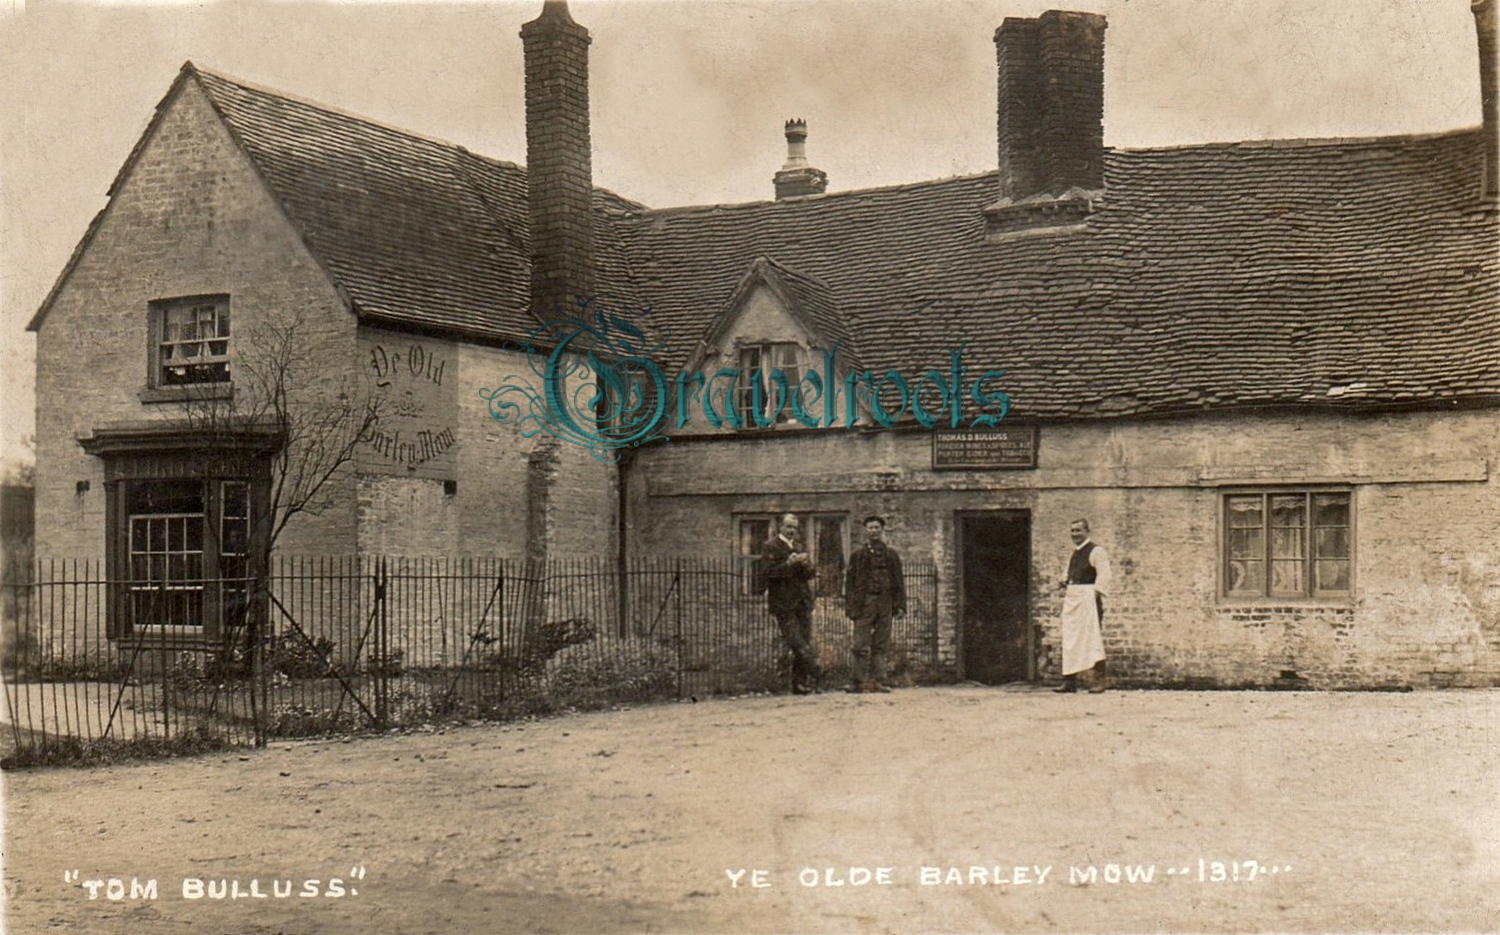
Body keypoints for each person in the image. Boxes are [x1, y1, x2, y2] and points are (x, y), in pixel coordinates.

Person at [844, 515, 905, 693]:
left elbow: (898, 582)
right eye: (870, 528)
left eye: (877, 528)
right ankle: (858, 682)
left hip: (885, 603)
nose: (873, 531)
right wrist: (850, 606)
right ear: (866, 531)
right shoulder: (857, 556)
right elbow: (850, 584)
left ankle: (879, 681)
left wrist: (900, 605)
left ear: (882, 530)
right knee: (860, 643)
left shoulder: (891, 555)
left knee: (881, 643)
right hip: (864, 603)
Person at [763, 513, 821, 694]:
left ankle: (799, 684)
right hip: (783, 604)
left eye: (794, 528)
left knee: (804, 640)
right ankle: (816, 670)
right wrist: (788, 564)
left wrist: (805, 564)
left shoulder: (798, 546)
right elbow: (767, 574)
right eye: (788, 526)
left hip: (802, 602)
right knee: (798, 643)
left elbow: (809, 575)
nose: (791, 531)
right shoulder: (770, 546)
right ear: (780, 527)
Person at [1056, 517, 1112, 693]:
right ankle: (1069, 681)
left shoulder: (1096, 551)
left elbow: (1104, 576)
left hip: (1088, 600)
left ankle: (1099, 681)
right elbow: (1067, 574)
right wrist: (1064, 581)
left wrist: (1092, 597)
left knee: (1092, 639)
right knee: (1070, 638)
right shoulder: (1075, 553)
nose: (1075, 534)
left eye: (1078, 530)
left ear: (1087, 531)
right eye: (1072, 531)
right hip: (1074, 599)